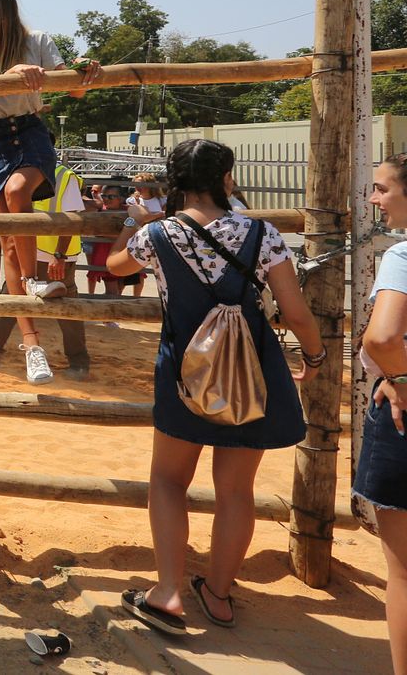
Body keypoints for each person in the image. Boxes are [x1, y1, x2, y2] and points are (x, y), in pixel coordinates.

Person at [105, 139, 322, 636]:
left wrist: (135, 222)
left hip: (184, 370)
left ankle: (168, 592)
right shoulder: (262, 233)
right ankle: (219, 595)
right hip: (253, 370)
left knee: (167, 481)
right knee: (236, 490)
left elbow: (116, 267)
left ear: (174, 182)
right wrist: (315, 355)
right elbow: (294, 310)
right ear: (227, 178)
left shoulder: (157, 235)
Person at [0, 0, 99, 385]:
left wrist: (84, 71)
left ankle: (36, 280)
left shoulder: (36, 39)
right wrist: (11, 73)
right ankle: (32, 345)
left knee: (18, 191)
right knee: (7, 240)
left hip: (29, 130)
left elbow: (72, 89)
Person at [360, 155, 407, 674]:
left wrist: (402, 379)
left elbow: (382, 336)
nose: (374, 199)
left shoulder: (402, 255)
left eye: (382, 189)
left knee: (404, 573)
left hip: (399, 419)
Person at [0, 163, 92, 379]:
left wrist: (59, 255)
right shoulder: (32, 174)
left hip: (51, 255)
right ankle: (79, 362)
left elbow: (70, 218)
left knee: (38, 302)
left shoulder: (62, 176)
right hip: (38, 253)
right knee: (55, 304)